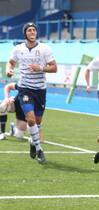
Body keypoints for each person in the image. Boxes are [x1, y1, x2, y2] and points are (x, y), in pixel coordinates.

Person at [6, 22, 57, 164]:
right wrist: (8, 70)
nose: (32, 32)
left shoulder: (45, 48)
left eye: (34, 30)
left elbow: (54, 68)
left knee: (38, 122)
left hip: (40, 90)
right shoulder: (18, 49)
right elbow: (10, 62)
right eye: (29, 30)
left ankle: (32, 142)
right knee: (30, 119)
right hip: (25, 89)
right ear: (25, 34)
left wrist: (40, 68)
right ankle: (39, 149)